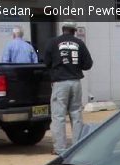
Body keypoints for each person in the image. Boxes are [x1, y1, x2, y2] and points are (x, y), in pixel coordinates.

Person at [44, 22, 93, 154]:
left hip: (60, 83)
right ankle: (77, 146)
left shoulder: (53, 42)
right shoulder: (79, 43)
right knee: (76, 114)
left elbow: (46, 62)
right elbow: (88, 64)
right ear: (74, 31)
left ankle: (60, 148)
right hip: (76, 82)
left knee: (58, 116)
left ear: (63, 29)